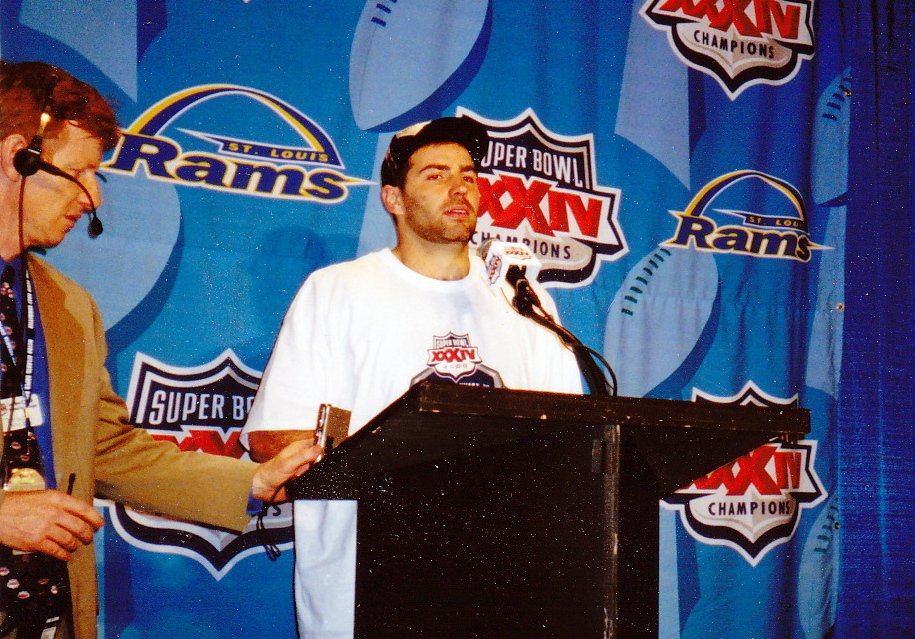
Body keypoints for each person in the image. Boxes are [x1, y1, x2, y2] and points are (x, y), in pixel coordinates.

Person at [0, 60, 324, 639]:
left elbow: (109, 449)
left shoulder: (69, 306)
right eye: (80, 172)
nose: (93, 196)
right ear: (18, 156)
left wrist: (247, 482)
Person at [242, 116, 583, 637]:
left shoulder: (522, 300)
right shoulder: (338, 291)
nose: (459, 188)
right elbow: (272, 438)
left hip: (501, 584)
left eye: (469, 175)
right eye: (435, 175)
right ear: (392, 199)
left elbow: (570, 440)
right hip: (367, 587)